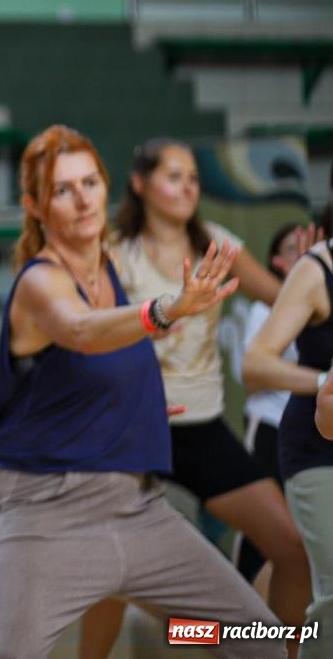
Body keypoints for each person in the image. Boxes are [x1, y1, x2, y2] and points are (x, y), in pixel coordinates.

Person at [0, 125, 282, 658]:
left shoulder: (111, 267)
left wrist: (134, 400)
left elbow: (96, 364)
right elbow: (78, 330)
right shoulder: (40, 281)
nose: (81, 200)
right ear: (33, 205)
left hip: (137, 507)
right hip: (44, 513)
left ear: (107, 186)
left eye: (90, 183)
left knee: (258, 640)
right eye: (62, 190)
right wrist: (164, 310)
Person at [79, 139, 311, 659]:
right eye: (174, 176)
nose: (188, 187)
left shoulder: (219, 246)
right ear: (140, 184)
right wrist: (140, 335)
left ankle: (280, 652)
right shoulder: (114, 251)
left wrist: (313, 268)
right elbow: (87, 341)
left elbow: (285, 300)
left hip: (203, 428)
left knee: (292, 551)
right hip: (134, 430)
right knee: (112, 574)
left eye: (193, 178)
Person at [245, 173, 333, 653]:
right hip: (292, 436)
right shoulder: (311, 275)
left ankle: (264, 640)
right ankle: (248, 637)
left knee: (292, 560)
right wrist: (323, 381)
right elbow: (254, 367)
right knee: (284, 560)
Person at [237, 223, 323, 584]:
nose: (305, 251)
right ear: (276, 262)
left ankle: (290, 633)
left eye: (312, 244)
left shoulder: (322, 299)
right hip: (270, 428)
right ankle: (235, 626)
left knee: (302, 544)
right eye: (293, 248)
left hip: (316, 427)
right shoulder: (265, 309)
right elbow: (252, 375)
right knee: (261, 538)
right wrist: (320, 380)